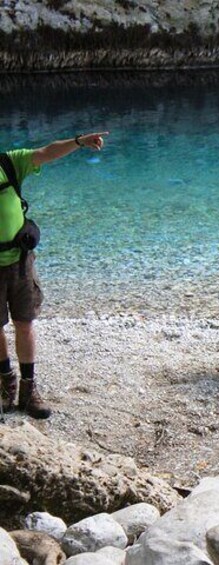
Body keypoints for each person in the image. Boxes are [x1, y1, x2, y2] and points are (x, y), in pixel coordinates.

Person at [0, 132, 109, 419]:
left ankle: (27, 389)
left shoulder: (9, 163)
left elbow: (46, 151)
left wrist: (78, 142)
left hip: (19, 261)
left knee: (24, 323)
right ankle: (5, 385)